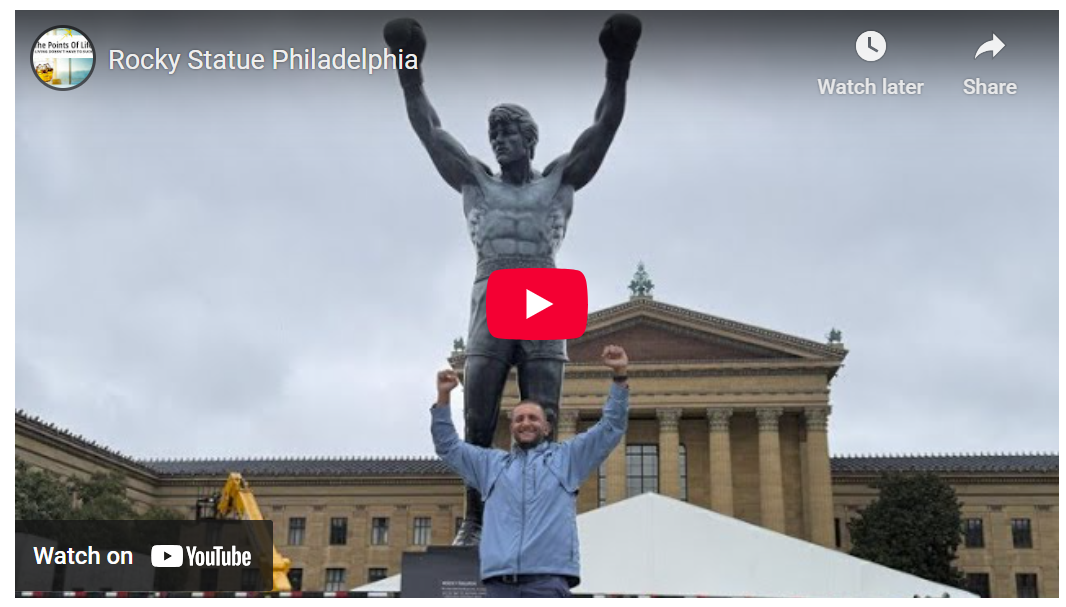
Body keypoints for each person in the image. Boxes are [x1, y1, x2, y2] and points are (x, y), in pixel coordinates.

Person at [385, 13, 642, 546]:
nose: (499, 141)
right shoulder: (475, 180)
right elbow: (428, 128)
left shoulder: (560, 179)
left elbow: (605, 127)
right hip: (493, 288)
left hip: (545, 293)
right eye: (493, 134)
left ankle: (542, 519)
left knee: (542, 417)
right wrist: (409, 68)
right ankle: (475, 523)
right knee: (479, 418)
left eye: (508, 133)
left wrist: (618, 65)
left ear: (530, 139)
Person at [430, 345, 630, 598]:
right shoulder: (490, 465)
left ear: (546, 428)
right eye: (519, 419)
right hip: (498, 585)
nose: (526, 423)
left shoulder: (567, 459)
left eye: (533, 418)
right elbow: (447, 445)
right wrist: (444, 396)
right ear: (512, 427)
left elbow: (610, 428)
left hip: (547, 582)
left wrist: (620, 375)